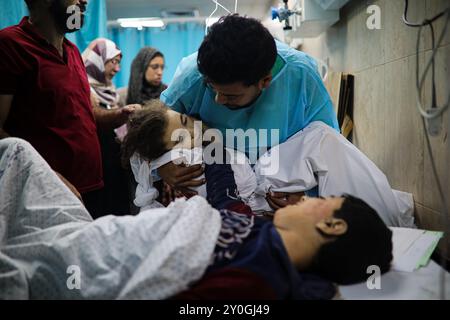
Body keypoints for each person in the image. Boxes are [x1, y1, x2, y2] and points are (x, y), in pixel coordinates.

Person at [0, 137, 393, 299]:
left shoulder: (257, 278)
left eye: (319, 200)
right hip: (105, 232)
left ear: (331, 224)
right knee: (17, 154)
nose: (305, 200)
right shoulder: (259, 233)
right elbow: (220, 176)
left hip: (101, 260)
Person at [120, 100, 414, 227]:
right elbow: (232, 219)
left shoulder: (207, 154)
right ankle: (384, 229)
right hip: (257, 201)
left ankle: (382, 224)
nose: (195, 126)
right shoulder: (183, 183)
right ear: (171, 158)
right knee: (323, 142)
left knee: (322, 139)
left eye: (187, 120)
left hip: (261, 183)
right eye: (184, 132)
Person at [157, 14, 339, 194]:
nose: (218, 100)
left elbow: (327, 147)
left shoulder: (300, 75)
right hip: (215, 188)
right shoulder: (193, 76)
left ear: (265, 81)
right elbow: (153, 125)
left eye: (231, 96)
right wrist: (161, 164)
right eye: (211, 88)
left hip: (279, 191)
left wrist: (302, 195)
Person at [0, 0, 140, 218]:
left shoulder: (72, 51)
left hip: (92, 187)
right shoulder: (10, 44)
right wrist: (47, 176)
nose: (84, 1)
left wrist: (120, 115)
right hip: (46, 195)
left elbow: (87, 115)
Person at [82, 38, 133, 216]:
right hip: (95, 170)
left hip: (115, 169)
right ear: (98, 59)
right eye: (113, 61)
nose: (117, 69)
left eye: (119, 63)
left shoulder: (111, 93)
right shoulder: (83, 90)